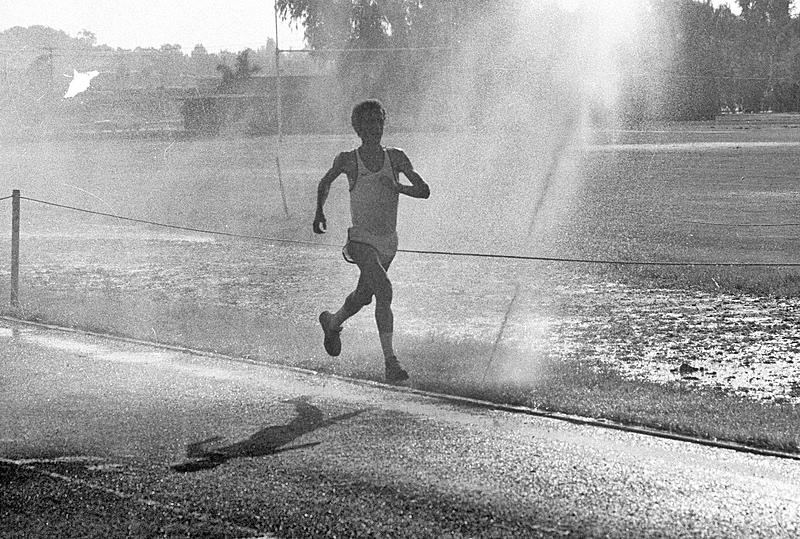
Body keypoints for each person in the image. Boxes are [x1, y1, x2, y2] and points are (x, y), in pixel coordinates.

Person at [313, 100, 430, 384]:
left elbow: (423, 190)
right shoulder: (348, 159)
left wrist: (398, 187)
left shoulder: (397, 157)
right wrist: (319, 211)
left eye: (378, 122)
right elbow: (325, 182)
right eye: (367, 124)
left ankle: (332, 321)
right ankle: (391, 362)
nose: (373, 129)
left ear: (383, 124)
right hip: (360, 240)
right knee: (384, 289)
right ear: (357, 128)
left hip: (388, 243)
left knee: (364, 297)